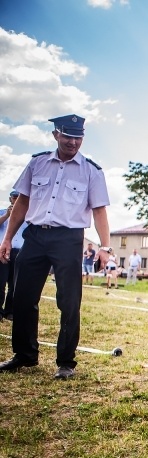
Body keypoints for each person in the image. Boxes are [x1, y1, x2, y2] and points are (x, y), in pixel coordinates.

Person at [0, 114, 110, 379]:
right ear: (56, 135)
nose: (73, 142)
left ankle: (66, 362)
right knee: (23, 298)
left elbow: (99, 211)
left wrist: (105, 247)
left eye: (78, 137)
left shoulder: (92, 171)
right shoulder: (37, 163)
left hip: (68, 239)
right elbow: (22, 203)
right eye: (68, 136)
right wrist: (7, 238)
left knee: (69, 302)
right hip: (35, 236)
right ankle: (25, 355)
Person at [0, 190, 27, 320]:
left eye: (18, 197)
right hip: (2, 251)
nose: (16, 199)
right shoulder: (2, 212)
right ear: (10, 199)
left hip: (18, 251)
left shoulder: (27, 215)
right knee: (0, 282)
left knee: (14, 284)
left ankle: (9, 311)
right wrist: (7, 215)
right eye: (14, 197)